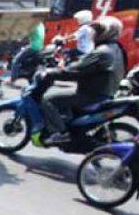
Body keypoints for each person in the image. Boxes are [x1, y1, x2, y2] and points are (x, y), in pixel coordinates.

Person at [40, 16, 125, 145]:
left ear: (106, 33)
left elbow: (73, 71)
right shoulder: (116, 48)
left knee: (48, 98)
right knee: (64, 93)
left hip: (91, 94)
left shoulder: (102, 52)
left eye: (98, 30)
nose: (94, 33)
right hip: (104, 91)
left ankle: (60, 133)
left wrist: (51, 72)